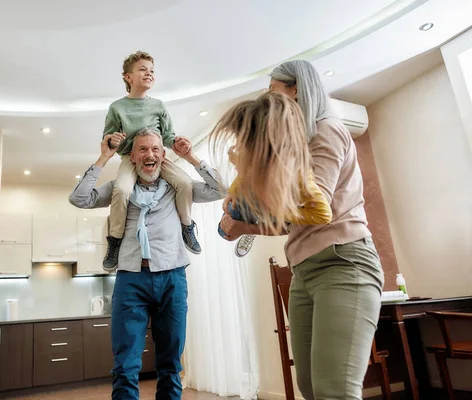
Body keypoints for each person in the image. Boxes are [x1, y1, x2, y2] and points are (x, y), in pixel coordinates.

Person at [218, 60, 384, 399]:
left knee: (333, 390)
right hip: (304, 269)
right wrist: (243, 219)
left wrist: (249, 203)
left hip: (343, 263)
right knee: (309, 387)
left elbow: (317, 209)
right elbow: (293, 221)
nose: (269, 99)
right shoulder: (292, 149)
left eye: (273, 90)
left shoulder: (326, 129)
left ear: (296, 88)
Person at [69, 128, 225, 400]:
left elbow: (220, 189)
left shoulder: (178, 188)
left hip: (172, 278)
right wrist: (103, 158)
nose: (149, 154)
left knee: (171, 365)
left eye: (155, 149)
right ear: (132, 157)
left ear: (163, 156)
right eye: (142, 149)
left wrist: (191, 157)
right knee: (126, 365)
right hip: (131, 279)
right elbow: (79, 198)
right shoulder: (120, 189)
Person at [102, 50, 201, 272]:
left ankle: (187, 227)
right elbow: (107, 139)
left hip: (157, 156)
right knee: (122, 190)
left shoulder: (158, 106)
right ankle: (115, 241)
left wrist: (178, 143)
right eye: (143, 70)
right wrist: (113, 140)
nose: (149, 74)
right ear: (128, 77)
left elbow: (168, 136)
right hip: (131, 157)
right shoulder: (117, 108)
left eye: (152, 71)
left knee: (184, 183)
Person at [211, 91, 332, 257]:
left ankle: (253, 225)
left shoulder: (298, 176)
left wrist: (271, 213)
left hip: (281, 208)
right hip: (263, 198)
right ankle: (249, 221)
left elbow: (323, 215)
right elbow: (250, 171)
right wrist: (233, 190)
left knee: (228, 226)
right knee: (224, 229)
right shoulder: (259, 161)